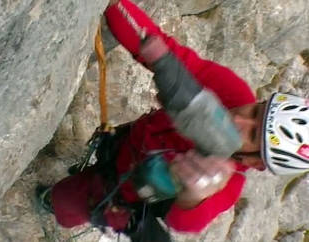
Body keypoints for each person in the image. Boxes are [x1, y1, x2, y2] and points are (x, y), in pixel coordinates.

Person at [36, 0, 309, 241]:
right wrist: (116, 5)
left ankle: (54, 204)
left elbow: (184, 222)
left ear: (255, 162)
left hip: (117, 192)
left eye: (253, 136)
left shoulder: (226, 184)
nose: (239, 118)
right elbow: (171, 56)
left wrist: (195, 193)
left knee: (69, 200)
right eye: (256, 112)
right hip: (126, 144)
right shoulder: (232, 92)